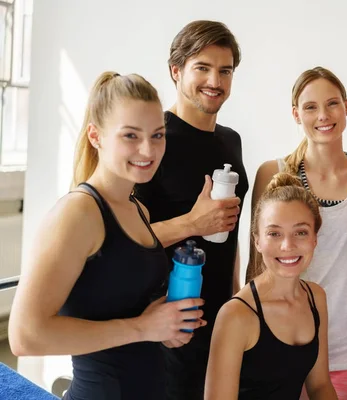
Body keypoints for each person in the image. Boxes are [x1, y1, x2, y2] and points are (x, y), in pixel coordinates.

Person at [8, 71, 204, 400]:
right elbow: (25, 336)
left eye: (158, 135)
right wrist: (144, 328)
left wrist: (164, 327)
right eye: (131, 135)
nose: (148, 149)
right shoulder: (78, 214)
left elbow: (125, 308)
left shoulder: (136, 209)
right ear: (96, 136)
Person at [247, 66, 347, 399]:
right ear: (296, 114)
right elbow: (255, 269)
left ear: (346, 107)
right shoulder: (272, 173)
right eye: (310, 107)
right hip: (287, 348)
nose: (323, 115)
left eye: (332, 103)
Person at [134, 20, 249, 399]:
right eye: (202, 67)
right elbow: (126, 240)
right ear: (176, 71)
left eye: (225, 70)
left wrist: (235, 299)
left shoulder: (231, 141)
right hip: (165, 327)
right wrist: (191, 223)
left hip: (219, 320)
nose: (215, 80)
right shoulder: (155, 141)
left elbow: (228, 231)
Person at [205, 173, 337, 399]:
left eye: (301, 232)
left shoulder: (316, 298)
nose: (288, 245)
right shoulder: (236, 315)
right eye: (274, 233)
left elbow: (320, 386)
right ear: (257, 241)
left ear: (315, 238)